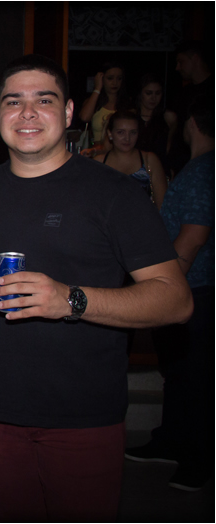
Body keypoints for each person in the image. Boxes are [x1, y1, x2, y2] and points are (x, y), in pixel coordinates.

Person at [0, 54, 193, 522]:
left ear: (69, 112)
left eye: (44, 100)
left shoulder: (114, 193)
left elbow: (176, 299)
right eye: (14, 101)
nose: (28, 113)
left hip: (83, 421)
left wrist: (71, 300)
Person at [125, 96, 214, 492]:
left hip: (197, 289)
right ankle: (171, 440)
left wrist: (162, 290)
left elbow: (193, 237)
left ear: (191, 123)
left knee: (197, 378)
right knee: (179, 374)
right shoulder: (199, 168)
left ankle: (199, 461)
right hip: (194, 286)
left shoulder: (202, 171)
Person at [94, 110, 167, 208]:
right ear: (110, 133)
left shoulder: (149, 160)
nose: (127, 138)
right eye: (121, 132)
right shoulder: (99, 162)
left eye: (133, 132)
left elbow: (163, 206)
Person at [169, 41, 213, 175]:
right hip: (182, 166)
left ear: (195, 58)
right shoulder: (183, 93)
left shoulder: (212, 90)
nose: (177, 67)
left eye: (181, 62)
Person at [78, 62, 130, 145]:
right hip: (97, 150)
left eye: (119, 78)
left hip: (119, 150)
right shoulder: (94, 101)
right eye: (110, 78)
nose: (115, 83)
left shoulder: (127, 104)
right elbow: (85, 117)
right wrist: (97, 88)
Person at [136, 73, 176, 171]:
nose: (153, 98)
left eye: (158, 93)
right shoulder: (130, 116)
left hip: (159, 169)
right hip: (135, 168)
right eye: (148, 93)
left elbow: (169, 149)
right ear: (140, 93)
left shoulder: (168, 117)